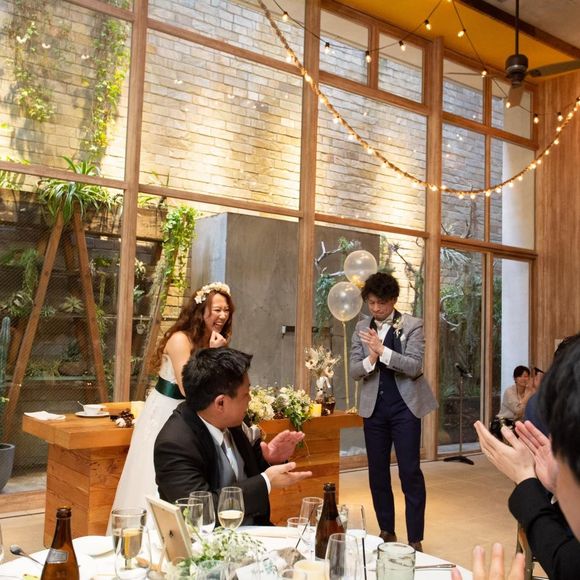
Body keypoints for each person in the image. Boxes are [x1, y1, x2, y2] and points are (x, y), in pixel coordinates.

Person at [110, 282, 234, 521]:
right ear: (201, 310)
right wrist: (214, 354)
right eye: (217, 309)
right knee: (153, 470)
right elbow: (189, 388)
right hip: (166, 411)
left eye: (226, 310)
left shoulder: (212, 339)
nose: (222, 315)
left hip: (192, 413)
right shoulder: (180, 340)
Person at [154, 347, 312, 524]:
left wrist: (270, 459)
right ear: (220, 403)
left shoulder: (234, 422)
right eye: (246, 394)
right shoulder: (174, 444)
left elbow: (246, 473)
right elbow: (199, 512)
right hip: (208, 538)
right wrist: (266, 481)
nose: (250, 400)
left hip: (254, 530)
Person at [473, 333, 580, 580]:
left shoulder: (539, 401)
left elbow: (567, 564)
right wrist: (559, 482)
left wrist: (527, 479)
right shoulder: (522, 396)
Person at [350, 272, 437, 551]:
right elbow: (354, 370)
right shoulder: (361, 326)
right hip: (374, 409)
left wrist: (382, 350)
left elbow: (414, 366)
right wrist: (370, 358)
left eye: (382, 303)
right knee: (377, 472)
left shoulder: (412, 325)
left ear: (394, 300)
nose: (376, 309)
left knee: (410, 472)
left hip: (405, 408)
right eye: (371, 303)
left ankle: (415, 538)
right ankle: (386, 530)